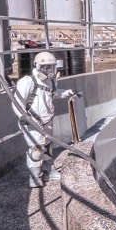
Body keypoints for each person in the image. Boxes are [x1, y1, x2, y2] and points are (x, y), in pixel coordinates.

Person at [12, 51, 78, 188]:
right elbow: (17, 102)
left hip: (47, 119)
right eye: (45, 67)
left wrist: (68, 93)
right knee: (36, 150)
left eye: (51, 67)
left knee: (47, 146)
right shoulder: (27, 82)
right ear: (37, 66)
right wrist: (23, 117)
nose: (48, 70)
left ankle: (49, 171)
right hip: (32, 121)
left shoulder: (51, 81)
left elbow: (54, 93)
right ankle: (35, 178)